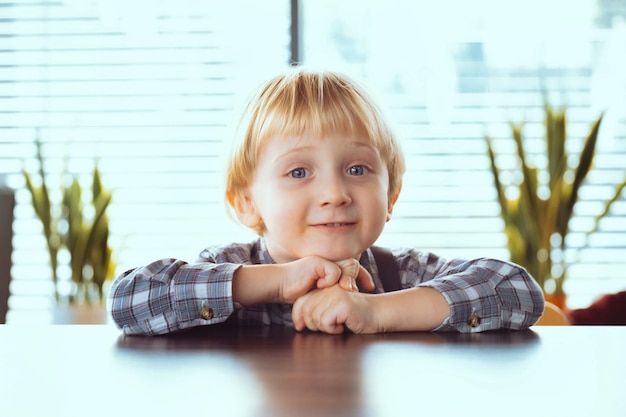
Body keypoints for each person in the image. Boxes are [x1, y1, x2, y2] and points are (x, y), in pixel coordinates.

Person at [109, 68, 545, 336]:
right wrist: (274, 283)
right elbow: (129, 301)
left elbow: (515, 290)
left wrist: (376, 311)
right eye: (299, 172)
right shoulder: (229, 265)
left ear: (390, 196)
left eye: (357, 170)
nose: (335, 194)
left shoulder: (404, 274)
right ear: (246, 203)